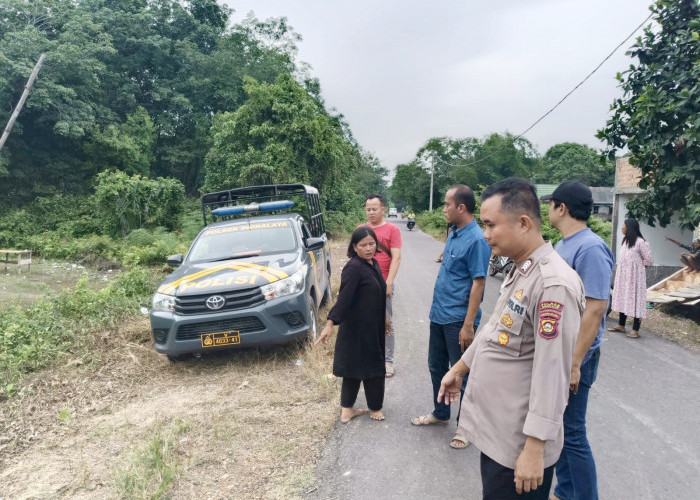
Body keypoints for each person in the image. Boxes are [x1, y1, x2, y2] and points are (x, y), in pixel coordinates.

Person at [438, 178, 585, 499]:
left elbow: (553, 373)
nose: (485, 234)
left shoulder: (553, 285)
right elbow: (495, 329)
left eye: (490, 225)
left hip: (520, 445)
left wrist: (534, 448)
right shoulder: (522, 268)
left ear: (523, 223)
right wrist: (459, 369)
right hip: (499, 435)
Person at [542, 181, 614, 500]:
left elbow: (596, 307)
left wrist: (574, 363)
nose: (547, 209)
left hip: (578, 356)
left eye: (551, 204)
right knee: (559, 428)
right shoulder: (563, 244)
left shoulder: (591, 247)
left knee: (571, 432)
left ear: (563, 208)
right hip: (561, 351)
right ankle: (567, 489)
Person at [411, 184, 491, 450]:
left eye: (446, 204)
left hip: (459, 319)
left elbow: (478, 284)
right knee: (436, 367)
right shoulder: (454, 233)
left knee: (462, 375)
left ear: (461, 207)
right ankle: (441, 413)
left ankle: (465, 427)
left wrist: (469, 325)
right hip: (439, 314)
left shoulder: (477, 239)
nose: (443, 209)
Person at [315, 226, 391, 422]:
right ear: (354, 247)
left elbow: (379, 296)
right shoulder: (354, 268)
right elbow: (344, 299)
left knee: (363, 366)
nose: (368, 248)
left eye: (372, 244)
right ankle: (361, 409)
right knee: (360, 368)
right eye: (363, 245)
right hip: (356, 329)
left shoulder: (372, 264)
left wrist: (385, 319)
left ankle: (359, 408)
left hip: (372, 327)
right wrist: (329, 324)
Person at [362, 194, 402, 377]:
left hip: (383, 282)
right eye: (368, 209)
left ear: (383, 209)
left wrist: (389, 283)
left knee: (386, 322)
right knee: (365, 321)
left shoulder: (392, 230)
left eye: (374, 209)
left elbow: (396, 257)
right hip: (364, 284)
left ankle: (388, 360)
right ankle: (369, 357)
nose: (371, 212)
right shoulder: (361, 229)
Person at [608, 218, 653, 339]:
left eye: (623, 225)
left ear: (630, 227)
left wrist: (636, 268)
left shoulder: (641, 242)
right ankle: (621, 325)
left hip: (635, 278)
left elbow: (649, 261)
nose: (622, 227)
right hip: (624, 276)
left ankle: (635, 330)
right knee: (623, 297)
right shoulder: (625, 241)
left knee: (636, 300)